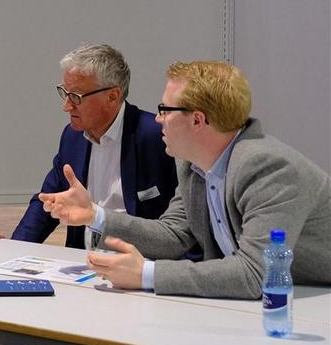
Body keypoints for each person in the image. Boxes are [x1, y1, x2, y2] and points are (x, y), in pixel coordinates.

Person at [42, 60, 331, 298]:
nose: (158, 119)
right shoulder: (192, 163)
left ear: (197, 120)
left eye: (165, 110)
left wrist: (146, 274)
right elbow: (174, 234)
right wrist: (95, 215)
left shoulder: (267, 167)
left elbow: (255, 273)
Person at [0, 43, 177, 248]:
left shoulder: (156, 136)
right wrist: (15, 247)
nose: (66, 106)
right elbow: (47, 201)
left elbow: (181, 226)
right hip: (82, 260)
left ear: (112, 96)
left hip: (137, 261)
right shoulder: (73, 137)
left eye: (76, 97)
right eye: (65, 93)